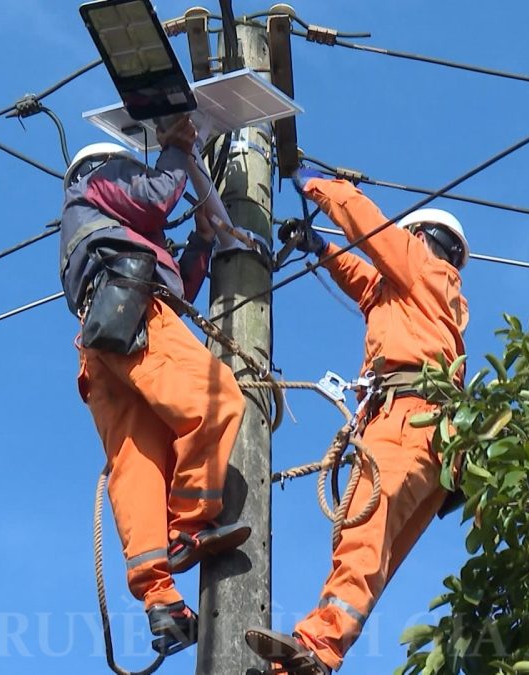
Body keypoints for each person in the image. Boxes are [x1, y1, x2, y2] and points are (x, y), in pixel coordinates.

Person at [246, 168, 470, 674]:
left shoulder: (421, 267)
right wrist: (320, 249)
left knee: (362, 538)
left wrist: (318, 185)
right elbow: (366, 283)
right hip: (437, 445)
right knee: (375, 558)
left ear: (421, 239)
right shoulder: (427, 300)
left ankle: (319, 644)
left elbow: (369, 228)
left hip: (405, 422)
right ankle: (310, 660)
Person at [61, 117, 249, 653]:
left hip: (103, 341)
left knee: (138, 466)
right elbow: (157, 196)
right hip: (132, 313)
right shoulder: (94, 184)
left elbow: (178, 285)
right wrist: (175, 148)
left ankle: (160, 600)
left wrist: (203, 241)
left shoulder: (100, 228)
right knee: (215, 398)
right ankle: (187, 528)